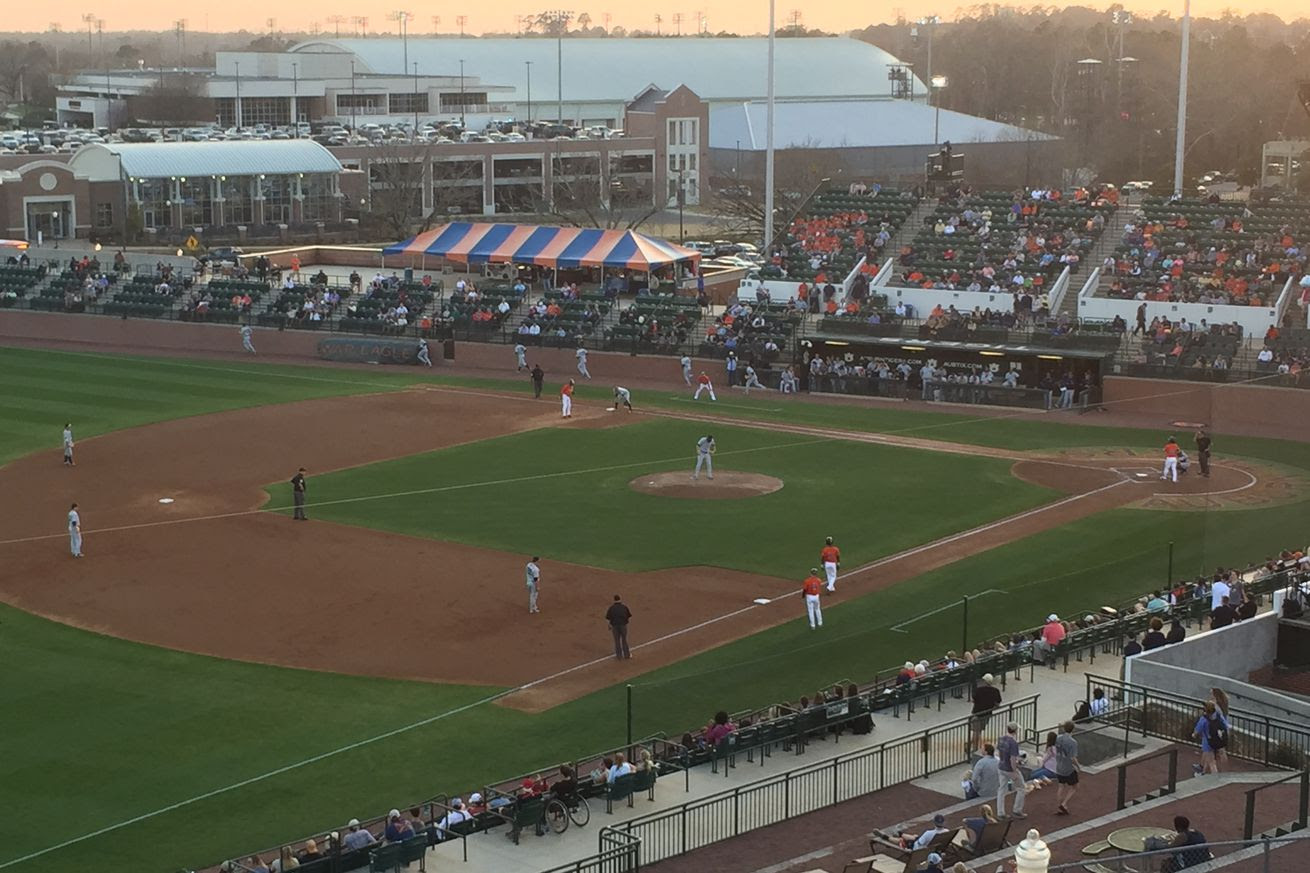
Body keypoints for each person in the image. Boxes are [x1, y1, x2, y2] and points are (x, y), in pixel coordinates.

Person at [997, 722, 1027, 819]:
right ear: (1015, 731)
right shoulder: (1013, 743)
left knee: (1002, 789)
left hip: (1001, 766)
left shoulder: (1001, 739)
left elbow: (999, 752)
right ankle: (1017, 810)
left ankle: (1000, 812)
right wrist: (1014, 771)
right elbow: (1012, 759)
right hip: (1009, 768)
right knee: (1021, 788)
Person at [1193, 700, 1229, 774]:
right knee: (1222, 753)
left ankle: (1215, 778)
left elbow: (1197, 731)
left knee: (1212, 762)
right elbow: (1225, 725)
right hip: (1219, 738)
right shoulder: (1218, 715)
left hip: (1209, 742)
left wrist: (1194, 735)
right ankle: (1225, 772)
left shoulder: (1204, 719)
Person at [1054, 720, 1081, 816]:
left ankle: (1059, 806)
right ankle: (1064, 803)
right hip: (1068, 768)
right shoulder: (1073, 742)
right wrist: (1078, 766)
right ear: (1072, 729)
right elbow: (1073, 757)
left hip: (1059, 766)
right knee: (1075, 786)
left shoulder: (1058, 738)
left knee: (1061, 786)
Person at [970, 674, 1001, 752]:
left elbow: (973, 700)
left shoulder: (979, 690)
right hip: (987, 714)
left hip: (977, 713)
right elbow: (997, 704)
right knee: (979, 731)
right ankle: (972, 746)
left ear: (984, 681)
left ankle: (974, 749)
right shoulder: (995, 691)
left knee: (976, 731)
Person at [606, 594, 632, 660]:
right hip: (623, 626)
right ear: (620, 599)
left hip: (614, 626)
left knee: (617, 641)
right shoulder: (624, 607)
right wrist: (625, 621)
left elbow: (608, 618)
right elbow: (628, 615)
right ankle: (627, 655)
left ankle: (619, 656)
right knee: (624, 640)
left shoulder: (611, 608)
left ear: (614, 600)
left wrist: (609, 625)